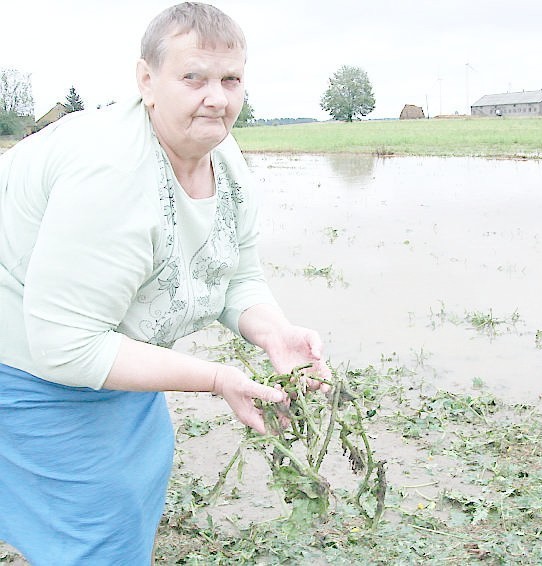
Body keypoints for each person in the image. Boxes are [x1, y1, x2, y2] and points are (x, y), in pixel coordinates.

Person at [0, 3, 331, 564]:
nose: (218, 98)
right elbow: (67, 345)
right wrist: (218, 377)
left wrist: (276, 334)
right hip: (25, 362)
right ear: (146, 81)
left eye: (231, 79)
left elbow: (235, 275)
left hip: (102, 352)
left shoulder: (221, 155)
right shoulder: (111, 175)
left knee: (135, 479)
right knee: (99, 527)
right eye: (193, 77)